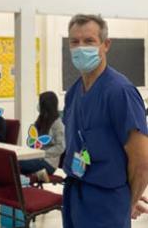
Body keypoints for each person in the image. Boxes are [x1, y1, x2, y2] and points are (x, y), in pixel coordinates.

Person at [62, 14, 148, 228]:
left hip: (107, 201)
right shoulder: (74, 93)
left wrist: (128, 201)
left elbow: (142, 163)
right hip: (75, 194)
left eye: (89, 41)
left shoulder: (120, 92)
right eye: (75, 42)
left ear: (105, 45)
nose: (81, 48)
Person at [19, 91, 65, 182]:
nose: (38, 105)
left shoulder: (58, 124)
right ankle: (34, 177)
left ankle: (34, 177)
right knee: (15, 161)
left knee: (17, 164)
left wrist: (43, 153)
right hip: (37, 158)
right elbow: (35, 139)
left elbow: (61, 147)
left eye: (40, 103)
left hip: (49, 163)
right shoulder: (41, 119)